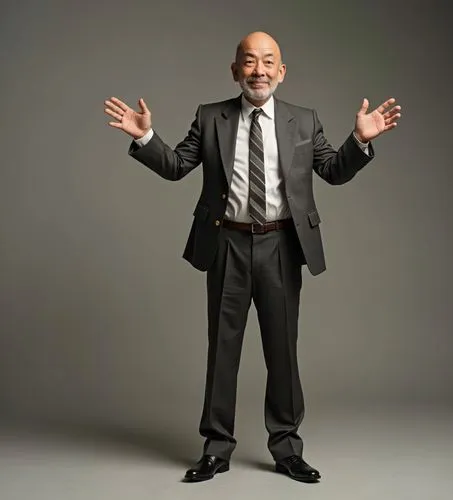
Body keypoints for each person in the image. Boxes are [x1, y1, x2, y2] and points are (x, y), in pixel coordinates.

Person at [104, 31, 401, 483]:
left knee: (282, 349)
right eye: (249, 62)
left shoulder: (304, 121)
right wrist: (145, 136)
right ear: (235, 70)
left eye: (267, 62)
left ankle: (286, 448)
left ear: (281, 72)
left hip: (282, 245)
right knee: (223, 349)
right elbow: (176, 166)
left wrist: (359, 141)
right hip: (227, 244)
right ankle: (217, 448)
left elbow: (333, 172)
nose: (258, 71)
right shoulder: (210, 117)